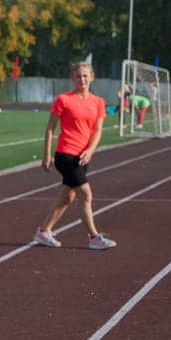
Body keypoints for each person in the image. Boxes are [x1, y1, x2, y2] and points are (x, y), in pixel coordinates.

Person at [33, 61, 114, 250]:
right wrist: (46, 155)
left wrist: (90, 150)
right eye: (78, 76)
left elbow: (98, 131)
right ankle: (94, 237)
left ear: (92, 77)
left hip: (84, 157)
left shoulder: (98, 102)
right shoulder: (64, 99)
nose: (82, 79)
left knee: (67, 197)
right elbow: (50, 129)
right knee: (85, 194)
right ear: (72, 78)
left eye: (85, 76)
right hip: (65, 154)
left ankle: (43, 231)